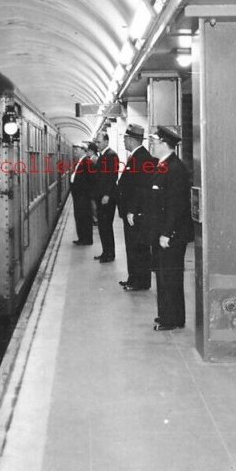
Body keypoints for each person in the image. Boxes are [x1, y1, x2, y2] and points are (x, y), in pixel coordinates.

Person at [145, 125, 193, 331]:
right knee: (164, 275)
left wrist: (167, 234)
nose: (152, 146)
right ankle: (168, 315)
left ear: (165, 144)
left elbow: (176, 205)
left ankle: (171, 319)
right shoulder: (163, 165)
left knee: (169, 276)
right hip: (162, 232)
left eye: (154, 143)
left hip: (170, 235)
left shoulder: (175, 168)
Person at [117, 123, 158, 291]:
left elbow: (140, 188)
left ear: (131, 139)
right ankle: (133, 278)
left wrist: (132, 210)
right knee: (133, 246)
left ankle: (140, 281)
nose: (124, 142)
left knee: (138, 247)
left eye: (125, 139)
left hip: (135, 214)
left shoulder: (141, 159)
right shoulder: (137, 157)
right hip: (131, 212)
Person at [92, 130, 119, 264]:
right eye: (96, 142)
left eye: (99, 141)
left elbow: (112, 175)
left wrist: (107, 194)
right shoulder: (103, 155)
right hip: (101, 196)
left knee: (106, 226)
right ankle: (105, 252)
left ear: (106, 142)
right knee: (103, 226)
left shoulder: (111, 155)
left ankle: (110, 254)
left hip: (106, 197)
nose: (97, 144)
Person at [70, 142, 97, 246]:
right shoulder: (81, 161)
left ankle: (86, 239)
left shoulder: (87, 162)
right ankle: (81, 238)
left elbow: (93, 179)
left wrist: (87, 193)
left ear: (84, 150)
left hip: (83, 196)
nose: (75, 151)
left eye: (77, 149)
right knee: (80, 217)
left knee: (84, 217)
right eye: (75, 149)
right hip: (79, 196)